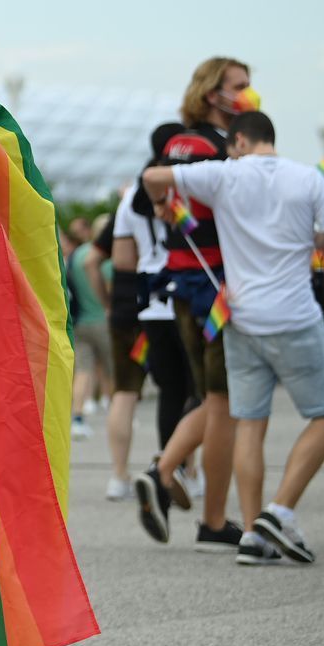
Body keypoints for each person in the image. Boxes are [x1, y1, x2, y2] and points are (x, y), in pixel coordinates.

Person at [142, 110, 324, 566]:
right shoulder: (308, 178)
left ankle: (253, 535)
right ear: (268, 139)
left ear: (238, 143)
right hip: (295, 316)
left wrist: (161, 205)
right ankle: (280, 508)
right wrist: (305, 237)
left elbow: (153, 176)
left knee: (250, 423)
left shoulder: (224, 175)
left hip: (240, 317)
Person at [132, 58, 251, 553]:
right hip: (217, 282)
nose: (248, 96)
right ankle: (201, 508)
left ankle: (168, 474)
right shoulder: (217, 150)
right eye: (240, 87)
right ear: (212, 94)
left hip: (180, 282)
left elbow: (144, 200)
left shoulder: (174, 144)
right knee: (224, 401)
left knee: (210, 396)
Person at [91, 126, 200, 501]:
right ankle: (183, 469)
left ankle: (119, 476)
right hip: (187, 295)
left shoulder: (132, 198)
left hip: (145, 304)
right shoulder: (186, 187)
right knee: (195, 390)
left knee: (135, 391)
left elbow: (122, 260)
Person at [68, 214, 114, 439]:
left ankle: (77, 418)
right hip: (104, 321)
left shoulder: (77, 255)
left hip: (80, 321)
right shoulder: (105, 259)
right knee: (113, 370)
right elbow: (110, 288)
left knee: (84, 371)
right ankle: (116, 414)